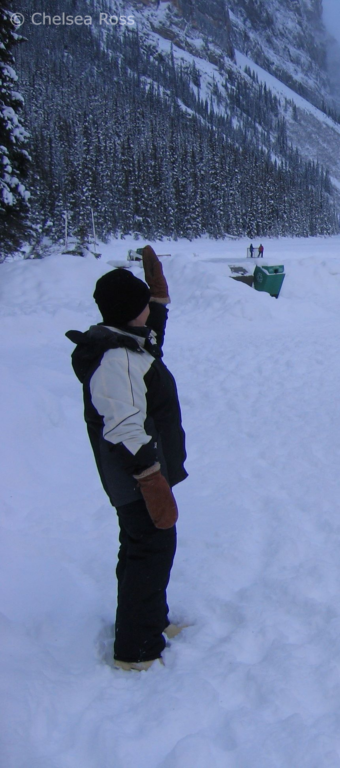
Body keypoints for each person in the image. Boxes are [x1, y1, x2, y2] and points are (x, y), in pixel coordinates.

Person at [66, 248, 187, 671]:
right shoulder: (116, 360)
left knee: (148, 549)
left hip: (143, 472)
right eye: (142, 306)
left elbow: (149, 343)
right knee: (147, 552)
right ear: (127, 312)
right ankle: (136, 650)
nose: (146, 314)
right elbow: (123, 428)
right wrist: (152, 481)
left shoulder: (126, 343)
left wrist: (157, 302)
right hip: (137, 478)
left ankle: (150, 623)